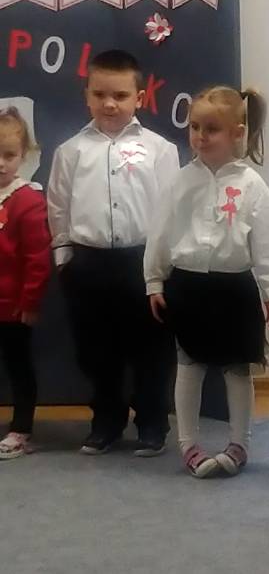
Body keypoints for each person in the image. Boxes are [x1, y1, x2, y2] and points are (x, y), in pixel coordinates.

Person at [47, 49, 179, 457]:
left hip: (143, 262)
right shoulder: (70, 151)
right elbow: (58, 206)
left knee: (151, 348)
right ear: (86, 95)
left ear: (139, 97)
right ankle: (106, 420)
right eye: (100, 94)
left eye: (120, 95)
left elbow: (172, 207)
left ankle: (152, 422)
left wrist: (164, 264)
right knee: (96, 350)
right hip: (88, 263)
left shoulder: (160, 150)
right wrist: (65, 259)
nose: (110, 104)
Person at [145, 86, 269, 478]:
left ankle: (240, 443)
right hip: (187, 288)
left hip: (234, 289)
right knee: (189, 366)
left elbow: (267, 240)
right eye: (195, 127)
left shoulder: (252, 185)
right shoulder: (179, 182)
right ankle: (189, 444)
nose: (200, 136)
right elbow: (160, 232)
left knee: (238, 369)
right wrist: (154, 280)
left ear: (237, 133)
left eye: (212, 129)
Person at [0, 108, 52, 460]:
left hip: (12, 307)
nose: (1, 163)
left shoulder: (28, 200)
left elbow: (37, 259)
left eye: (9, 155)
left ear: (24, 155)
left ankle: (21, 428)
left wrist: (30, 302)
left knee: (18, 366)